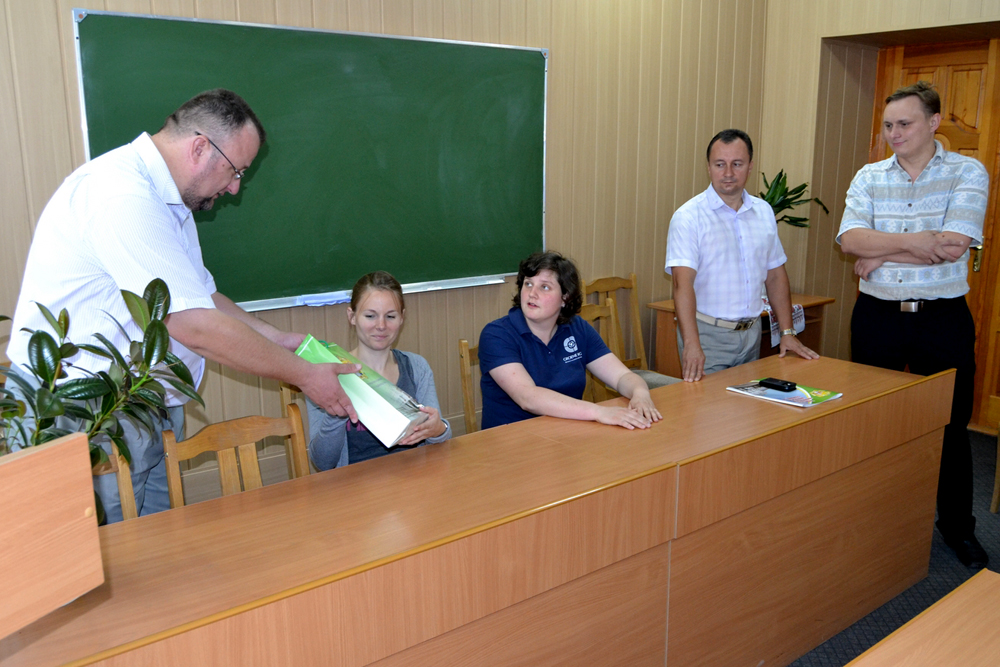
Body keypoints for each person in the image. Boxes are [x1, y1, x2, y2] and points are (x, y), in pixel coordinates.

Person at [6, 89, 359, 522]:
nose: (235, 187)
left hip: (141, 407)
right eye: (236, 171)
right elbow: (193, 325)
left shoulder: (170, 201)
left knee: (160, 544)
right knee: (111, 550)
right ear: (199, 148)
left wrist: (276, 338)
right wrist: (305, 375)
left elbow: (203, 298)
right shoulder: (121, 195)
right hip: (83, 413)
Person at [837, 81, 989, 568]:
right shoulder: (869, 176)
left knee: (950, 426)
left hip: (942, 319)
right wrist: (915, 242)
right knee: (874, 422)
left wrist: (881, 252)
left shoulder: (968, 171)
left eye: (904, 123)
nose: (894, 133)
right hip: (878, 317)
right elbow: (849, 240)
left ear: (933, 122)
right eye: (888, 125)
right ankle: (873, 522)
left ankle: (957, 528)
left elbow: (954, 245)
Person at [665, 129, 819, 382]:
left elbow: (775, 276)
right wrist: (692, 344)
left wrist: (787, 332)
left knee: (747, 406)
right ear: (709, 167)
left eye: (737, 164)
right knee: (707, 406)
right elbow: (682, 285)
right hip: (708, 337)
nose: (728, 173)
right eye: (720, 164)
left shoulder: (764, 212)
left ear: (750, 167)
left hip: (751, 334)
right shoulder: (689, 217)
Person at [478, 251, 662, 430]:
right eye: (528, 284)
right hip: (512, 439)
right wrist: (599, 412)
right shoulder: (496, 334)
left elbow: (621, 376)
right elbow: (528, 397)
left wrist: (640, 394)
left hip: (567, 432)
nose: (532, 293)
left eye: (544, 287)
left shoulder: (577, 327)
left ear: (565, 298)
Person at [306, 271, 451, 469]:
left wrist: (439, 429)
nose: (381, 325)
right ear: (352, 316)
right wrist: (336, 412)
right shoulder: (326, 374)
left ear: (402, 318)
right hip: (354, 483)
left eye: (390, 316)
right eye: (370, 316)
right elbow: (322, 462)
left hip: (415, 478)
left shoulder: (417, 367)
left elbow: (441, 440)